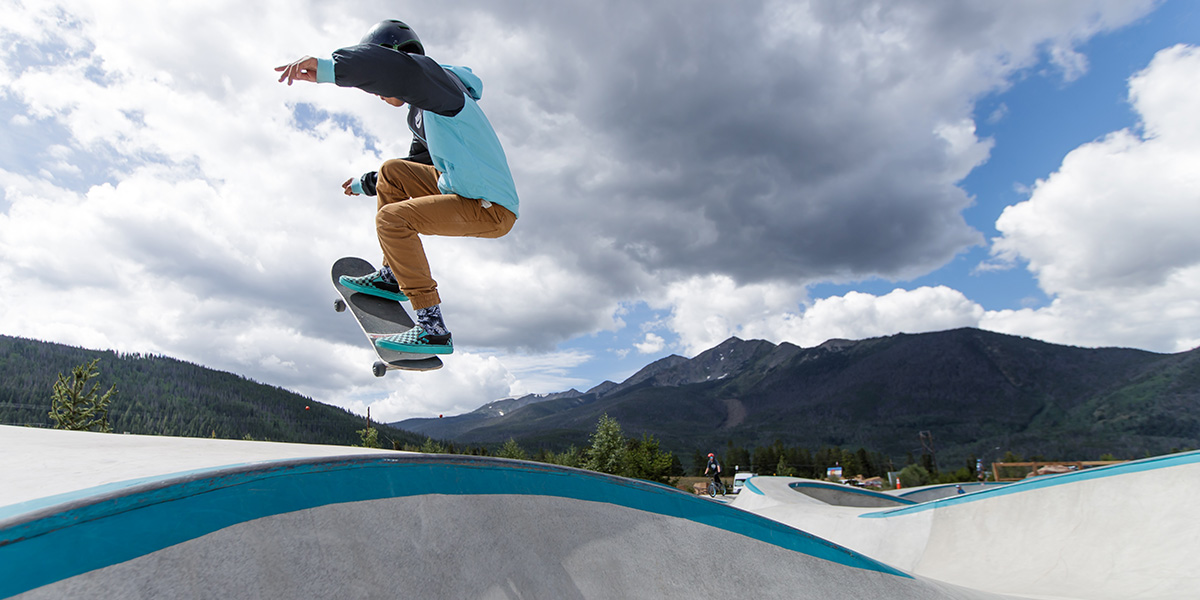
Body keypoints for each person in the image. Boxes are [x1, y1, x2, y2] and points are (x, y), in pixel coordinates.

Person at [276, 20, 519, 355]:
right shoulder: (422, 111)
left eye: (377, 86)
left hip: (489, 206)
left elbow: (401, 73)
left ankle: (432, 327)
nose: (376, 93)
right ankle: (392, 276)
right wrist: (365, 183)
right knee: (391, 171)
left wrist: (330, 69)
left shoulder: (439, 83)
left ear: (398, 58)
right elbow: (413, 170)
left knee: (392, 220)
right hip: (460, 191)